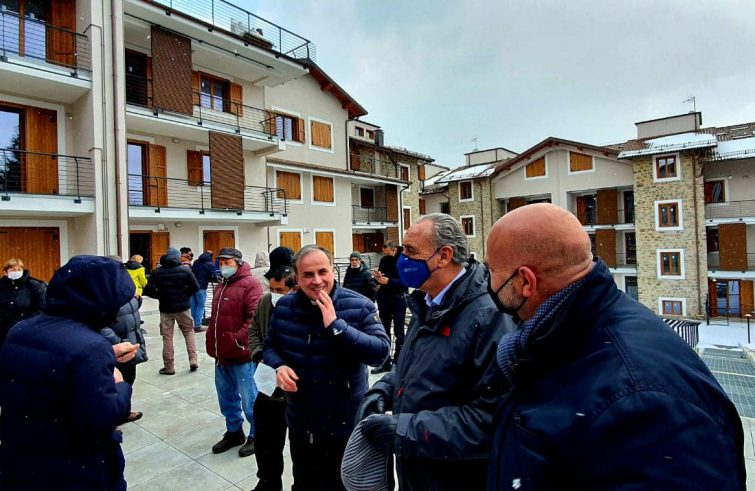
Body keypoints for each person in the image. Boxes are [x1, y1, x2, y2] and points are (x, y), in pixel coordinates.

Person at [485, 203, 745, 489]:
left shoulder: (642, 400)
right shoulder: (561, 337)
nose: (488, 281)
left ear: (525, 281)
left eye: (491, 270)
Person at [356, 214, 515, 490]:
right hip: (419, 473)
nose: (402, 259)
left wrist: (405, 431)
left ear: (444, 256)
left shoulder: (489, 317)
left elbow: (492, 419)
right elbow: (417, 365)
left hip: (457, 478)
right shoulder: (428, 303)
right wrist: (384, 390)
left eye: (411, 251)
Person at [0, 255, 138, 490]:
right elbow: (102, 417)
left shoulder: (20, 330)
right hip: (74, 469)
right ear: (99, 300)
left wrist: (103, 355)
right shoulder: (89, 346)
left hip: (20, 459)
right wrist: (120, 384)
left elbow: (46, 369)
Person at [263, 245, 389, 491]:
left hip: (344, 425)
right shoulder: (285, 308)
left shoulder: (359, 305)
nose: (317, 280)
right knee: (305, 483)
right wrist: (278, 366)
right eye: (308, 275)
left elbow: (380, 353)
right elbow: (270, 347)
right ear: (297, 278)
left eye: (323, 272)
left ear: (333, 271)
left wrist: (337, 326)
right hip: (301, 423)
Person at [207, 247, 263, 458]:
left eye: (227, 262)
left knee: (250, 400)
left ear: (239, 263)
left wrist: (238, 340)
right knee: (226, 399)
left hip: (242, 355)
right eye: (220, 262)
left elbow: (253, 318)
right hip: (221, 355)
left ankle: (257, 435)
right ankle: (233, 432)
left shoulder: (251, 284)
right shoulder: (221, 286)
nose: (223, 266)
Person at [248, 266, 296, 491]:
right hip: (268, 383)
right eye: (272, 288)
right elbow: (254, 331)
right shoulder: (265, 302)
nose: (275, 293)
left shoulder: (302, 306)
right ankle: (267, 481)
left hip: (295, 387)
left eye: (280, 289)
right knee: (266, 439)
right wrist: (259, 355)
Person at [143, 247, 200, 375]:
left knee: (167, 337)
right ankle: (193, 359)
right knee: (188, 332)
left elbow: (147, 290)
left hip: (165, 307)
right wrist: (185, 296)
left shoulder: (157, 272)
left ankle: (169, 366)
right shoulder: (185, 271)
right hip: (183, 307)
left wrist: (160, 296)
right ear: (177, 257)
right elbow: (195, 287)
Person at [101, 289, 148, 423]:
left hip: (130, 340)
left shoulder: (123, 287)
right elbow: (100, 325)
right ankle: (110, 416)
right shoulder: (102, 293)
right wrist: (117, 342)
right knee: (111, 381)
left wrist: (137, 298)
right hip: (117, 344)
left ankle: (124, 411)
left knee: (129, 377)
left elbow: (132, 309)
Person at [371, 241, 408, 373]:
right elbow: (379, 279)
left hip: (398, 299)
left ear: (394, 250)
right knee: (384, 332)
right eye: (384, 253)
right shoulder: (384, 259)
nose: (386, 255)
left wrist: (389, 281)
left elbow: (405, 283)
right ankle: (385, 362)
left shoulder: (403, 260)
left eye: (388, 253)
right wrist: (378, 277)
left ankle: (398, 363)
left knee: (399, 333)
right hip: (384, 300)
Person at [0, 258, 46, 348]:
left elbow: (41, 308)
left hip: (27, 331)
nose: (16, 271)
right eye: (13, 269)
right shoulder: (1, 287)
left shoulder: (33, 285)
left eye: (19, 269)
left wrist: (25, 323)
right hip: (3, 333)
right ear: (5, 272)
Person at [191, 251, 219, 332]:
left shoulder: (196, 262)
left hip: (192, 286)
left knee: (193, 306)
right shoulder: (210, 264)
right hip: (201, 287)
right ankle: (197, 325)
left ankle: (191, 324)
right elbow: (213, 277)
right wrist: (217, 280)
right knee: (201, 306)